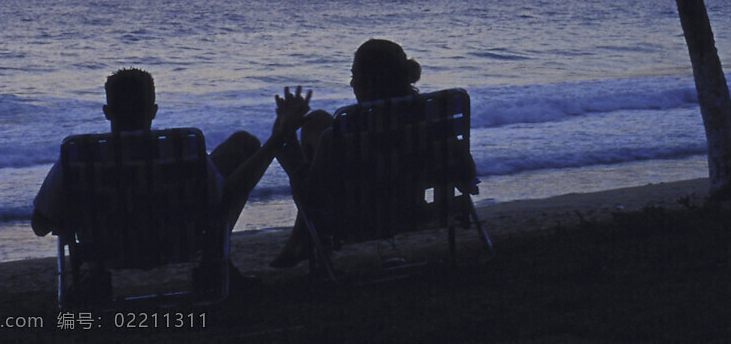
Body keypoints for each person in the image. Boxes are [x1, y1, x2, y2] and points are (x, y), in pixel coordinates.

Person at [31, 65, 311, 284]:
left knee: (240, 145)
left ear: (107, 112)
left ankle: (91, 276)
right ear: (153, 110)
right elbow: (224, 200)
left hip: (105, 252)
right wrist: (277, 139)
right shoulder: (183, 150)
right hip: (181, 244)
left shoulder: (80, 157)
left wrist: (74, 217)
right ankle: (214, 266)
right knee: (237, 156)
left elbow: (40, 225)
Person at [271, 38, 475, 267]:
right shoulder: (436, 124)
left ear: (370, 82)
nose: (350, 83)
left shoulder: (342, 139)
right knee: (318, 120)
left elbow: (309, 195)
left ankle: (302, 241)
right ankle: (299, 240)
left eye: (354, 75)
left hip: (355, 220)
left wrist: (283, 135)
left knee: (319, 130)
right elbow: (468, 176)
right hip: (413, 211)